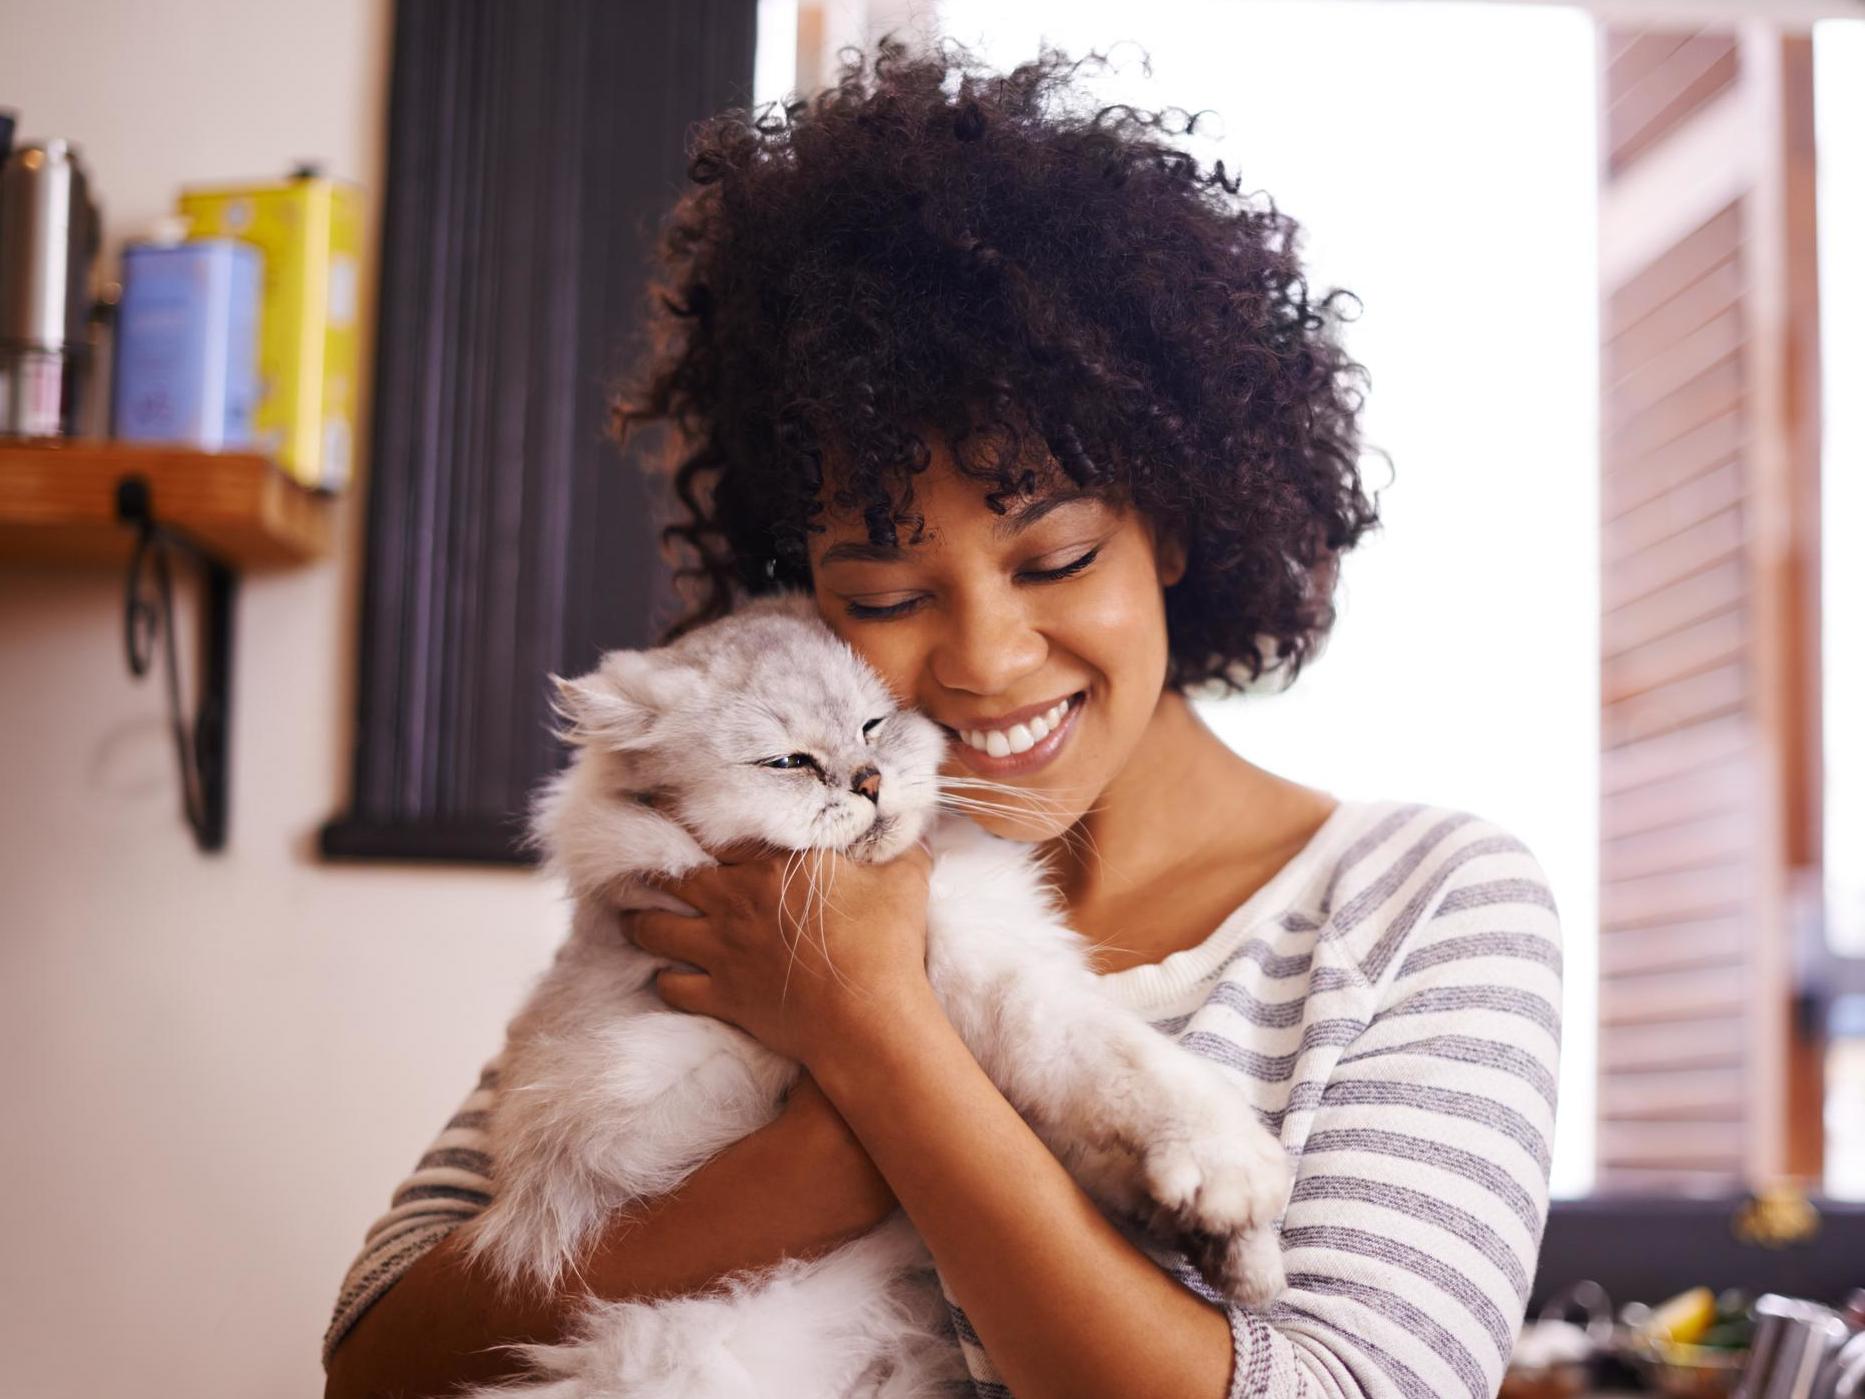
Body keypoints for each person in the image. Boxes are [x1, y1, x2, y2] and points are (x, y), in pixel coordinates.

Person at [323, 38, 1561, 1399]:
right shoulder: (746, 881)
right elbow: (384, 1353)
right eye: (888, 589)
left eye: (1055, 561)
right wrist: (813, 1160)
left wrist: (874, 1039)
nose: (981, 658)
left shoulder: (1425, 907)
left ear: (1181, 526)